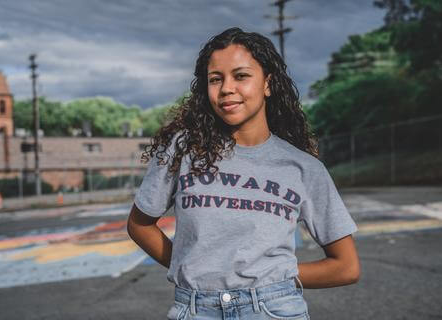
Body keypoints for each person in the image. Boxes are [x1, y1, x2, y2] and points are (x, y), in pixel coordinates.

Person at [127, 27, 360, 320]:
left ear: (267, 84)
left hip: (273, 309)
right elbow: (139, 225)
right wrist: (190, 265)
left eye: (241, 76)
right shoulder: (183, 150)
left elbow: (346, 267)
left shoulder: (304, 169)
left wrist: (275, 276)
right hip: (196, 310)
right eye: (215, 79)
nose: (226, 88)